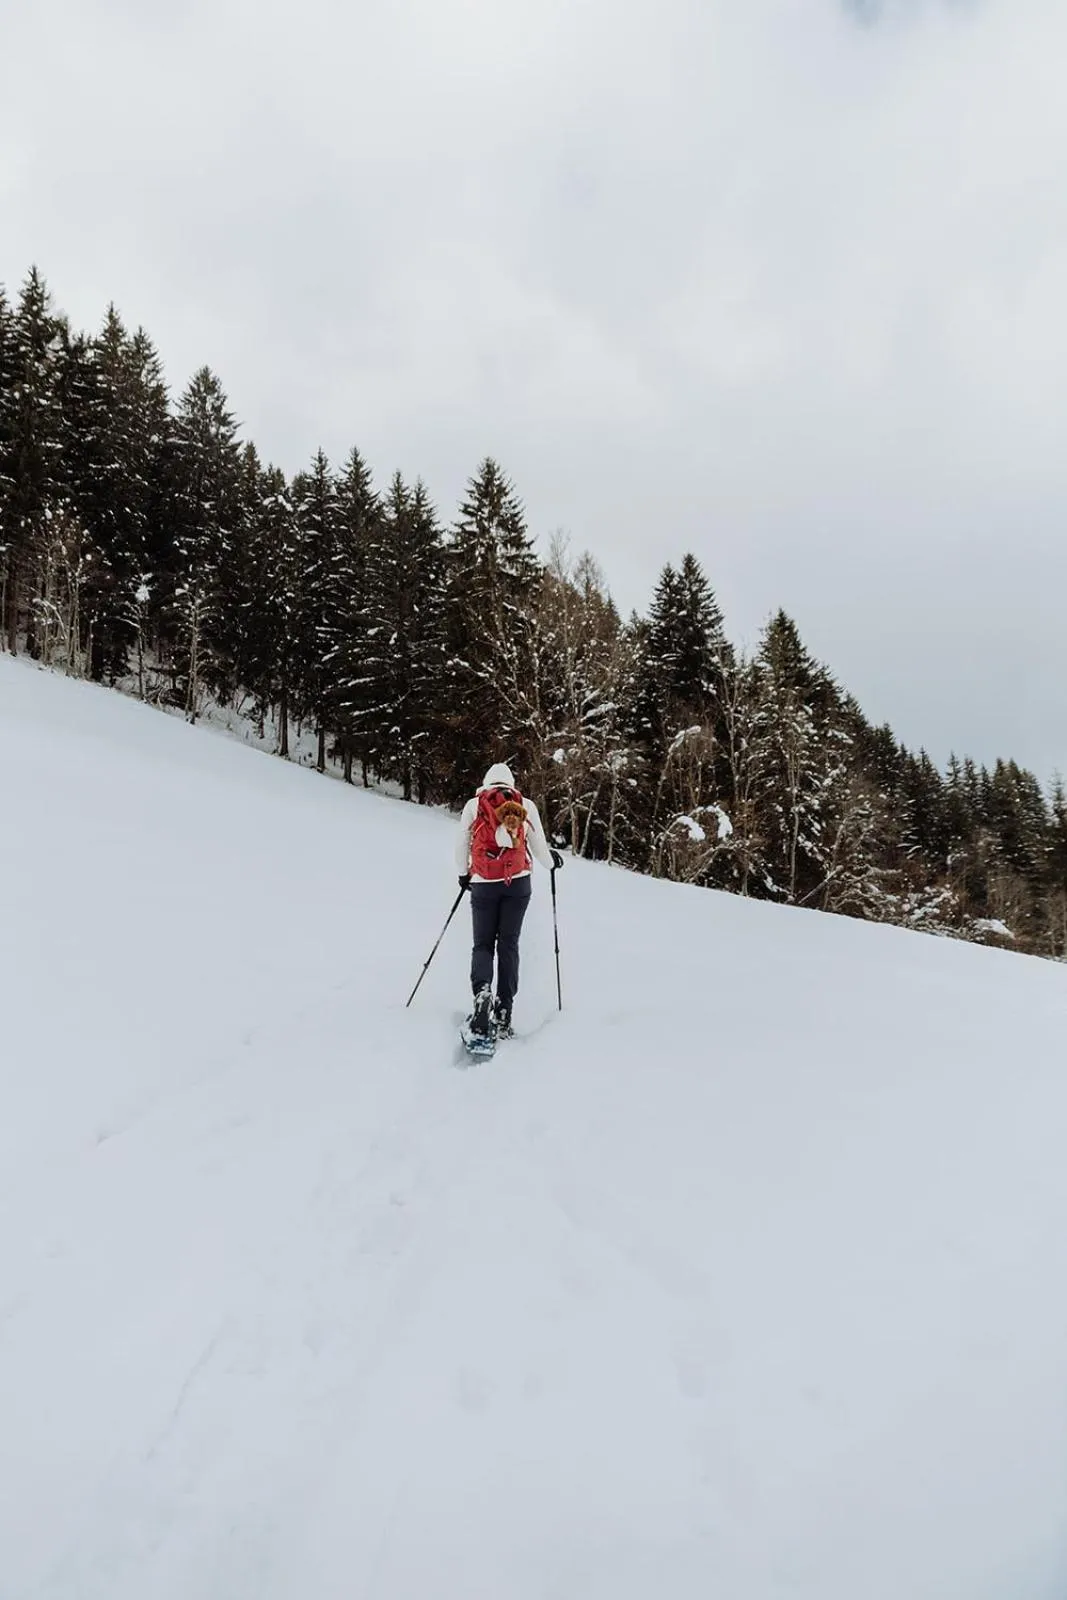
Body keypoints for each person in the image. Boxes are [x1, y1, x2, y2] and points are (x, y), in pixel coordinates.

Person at [455, 762, 562, 1040]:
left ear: (487, 782)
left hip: (483, 884)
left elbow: (461, 842)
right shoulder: (525, 804)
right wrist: (552, 863)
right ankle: (504, 1012)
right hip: (518, 883)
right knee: (509, 944)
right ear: (511, 782)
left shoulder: (474, 805)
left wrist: (462, 874)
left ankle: (482, 993)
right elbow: (538, 845)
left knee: (482, 944)